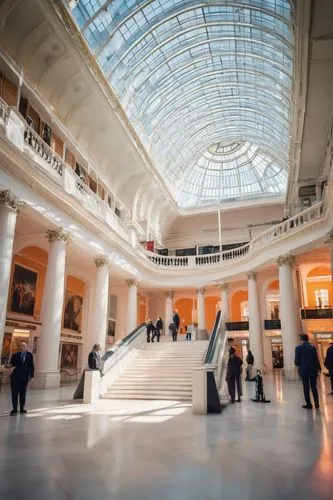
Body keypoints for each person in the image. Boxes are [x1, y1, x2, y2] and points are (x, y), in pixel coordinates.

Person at [7, 341, 34, 416]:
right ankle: (14, 409)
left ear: (27, 347)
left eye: (24, 345)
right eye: (21, 345)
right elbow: (12, 364)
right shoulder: (15, 355)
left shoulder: (30, 355)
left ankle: (22, 408)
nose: (22, 347)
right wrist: (8, 366)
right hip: (15, 377)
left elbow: (31, 366)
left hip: (25, 377)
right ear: (20, 347)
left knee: (23, 393)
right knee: (14, 393)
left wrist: (31, 376)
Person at [295, 334, 321, 409]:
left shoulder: (298, 348)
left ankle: (309, 404)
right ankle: (317, 404)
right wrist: (319, 368)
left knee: (306, 388)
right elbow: (316, 359)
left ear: (301, 340)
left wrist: (299, 364)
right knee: (314, 387)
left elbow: (296, 361)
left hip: (304, 371)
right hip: (313, 370)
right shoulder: (313, 348)